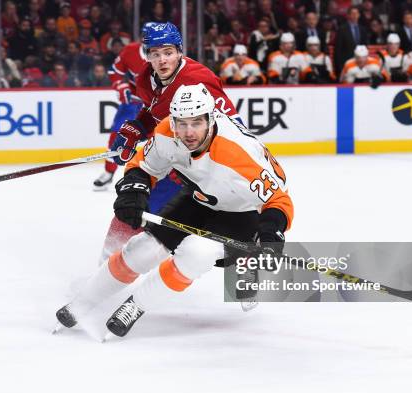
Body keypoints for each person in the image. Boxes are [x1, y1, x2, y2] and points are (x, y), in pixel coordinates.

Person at [54, 83, 293, 338]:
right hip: (200, 198)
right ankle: (83, 303)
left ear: (211, 120)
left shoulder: (237, 154)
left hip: (242, 212)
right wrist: (134, 190)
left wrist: (270, 233)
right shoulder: (167, 132)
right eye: (183, 123)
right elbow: (144, 166)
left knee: (197, 253)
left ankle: (136, 306)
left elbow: (279, 200)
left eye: (197, 123)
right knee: (142, 249)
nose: (189, 132)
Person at [98, 22, 241, 267]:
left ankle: (247, 273)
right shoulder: (145, 78)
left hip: (207, 166)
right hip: (169, 158)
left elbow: (233, 127)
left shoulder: (198, 81)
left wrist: (197, 166)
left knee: (230, 226)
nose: (162, 60)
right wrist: (140, 126)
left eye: (168, 52)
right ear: (148, 55)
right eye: (155, 54)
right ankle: (105, 267)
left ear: (179, 52)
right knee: (131, 207)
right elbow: (154, 107)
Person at [92, 23, 154, 191]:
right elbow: (114, 71)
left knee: (162, 140)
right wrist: (120, 85)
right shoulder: (130, 51)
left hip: (158, 104)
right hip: (133, 102)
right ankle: (108, 172)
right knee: (117, 135)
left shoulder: (166, 55)